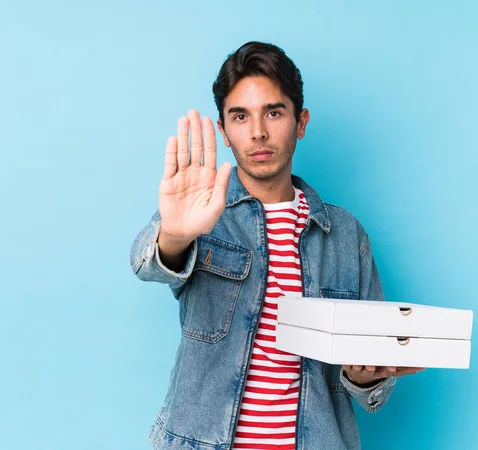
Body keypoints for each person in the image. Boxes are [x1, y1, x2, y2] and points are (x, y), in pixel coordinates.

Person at [130, 41, 424, 450]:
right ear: (224, 131)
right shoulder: (201, 214)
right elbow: (147, 261)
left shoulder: (344, 235)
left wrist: (365, 374)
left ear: (300, 122)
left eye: (273, 112)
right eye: (240, 116)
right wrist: (177, 234)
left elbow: (373, 385)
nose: (258, 132)